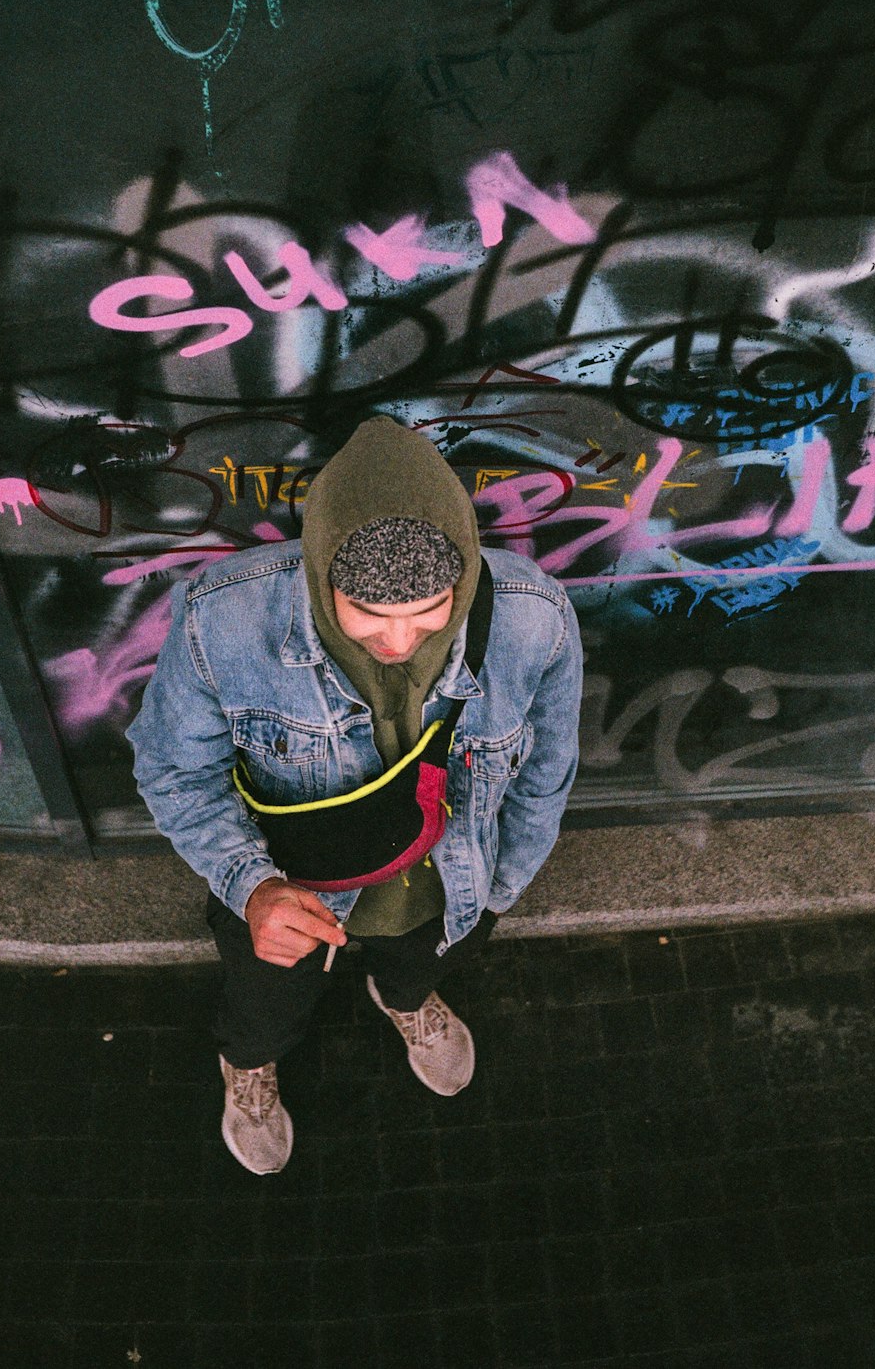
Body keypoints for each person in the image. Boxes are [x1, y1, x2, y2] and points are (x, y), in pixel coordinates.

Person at [128, 416, 582, 1174]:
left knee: (421, 964)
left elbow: (549, 768)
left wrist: (502, 888)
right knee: (263, 1003)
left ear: (465, 576)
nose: (400, 640)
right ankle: (251, 1060)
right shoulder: (225, 616)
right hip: (292, 889)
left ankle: (404, 1000)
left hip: (450, 884)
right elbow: (173, 769)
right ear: (317, 574)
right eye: (368, 613)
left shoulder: (536, 618)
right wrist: (253, 887)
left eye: (430, 610)